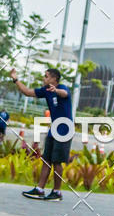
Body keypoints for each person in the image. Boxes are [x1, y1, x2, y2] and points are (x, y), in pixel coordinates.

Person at [11, 67, 74, 202]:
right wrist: (15, 79)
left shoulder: (62, 87)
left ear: (54, 79)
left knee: (57, 161)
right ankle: (39, 190)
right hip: (54, 129)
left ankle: (57, 192)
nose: (43, 78)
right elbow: (27, 92)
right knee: (46, 159)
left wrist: (56, 90)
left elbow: (64, 94)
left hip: (65, 130)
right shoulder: (45, 90)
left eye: (46, 76)